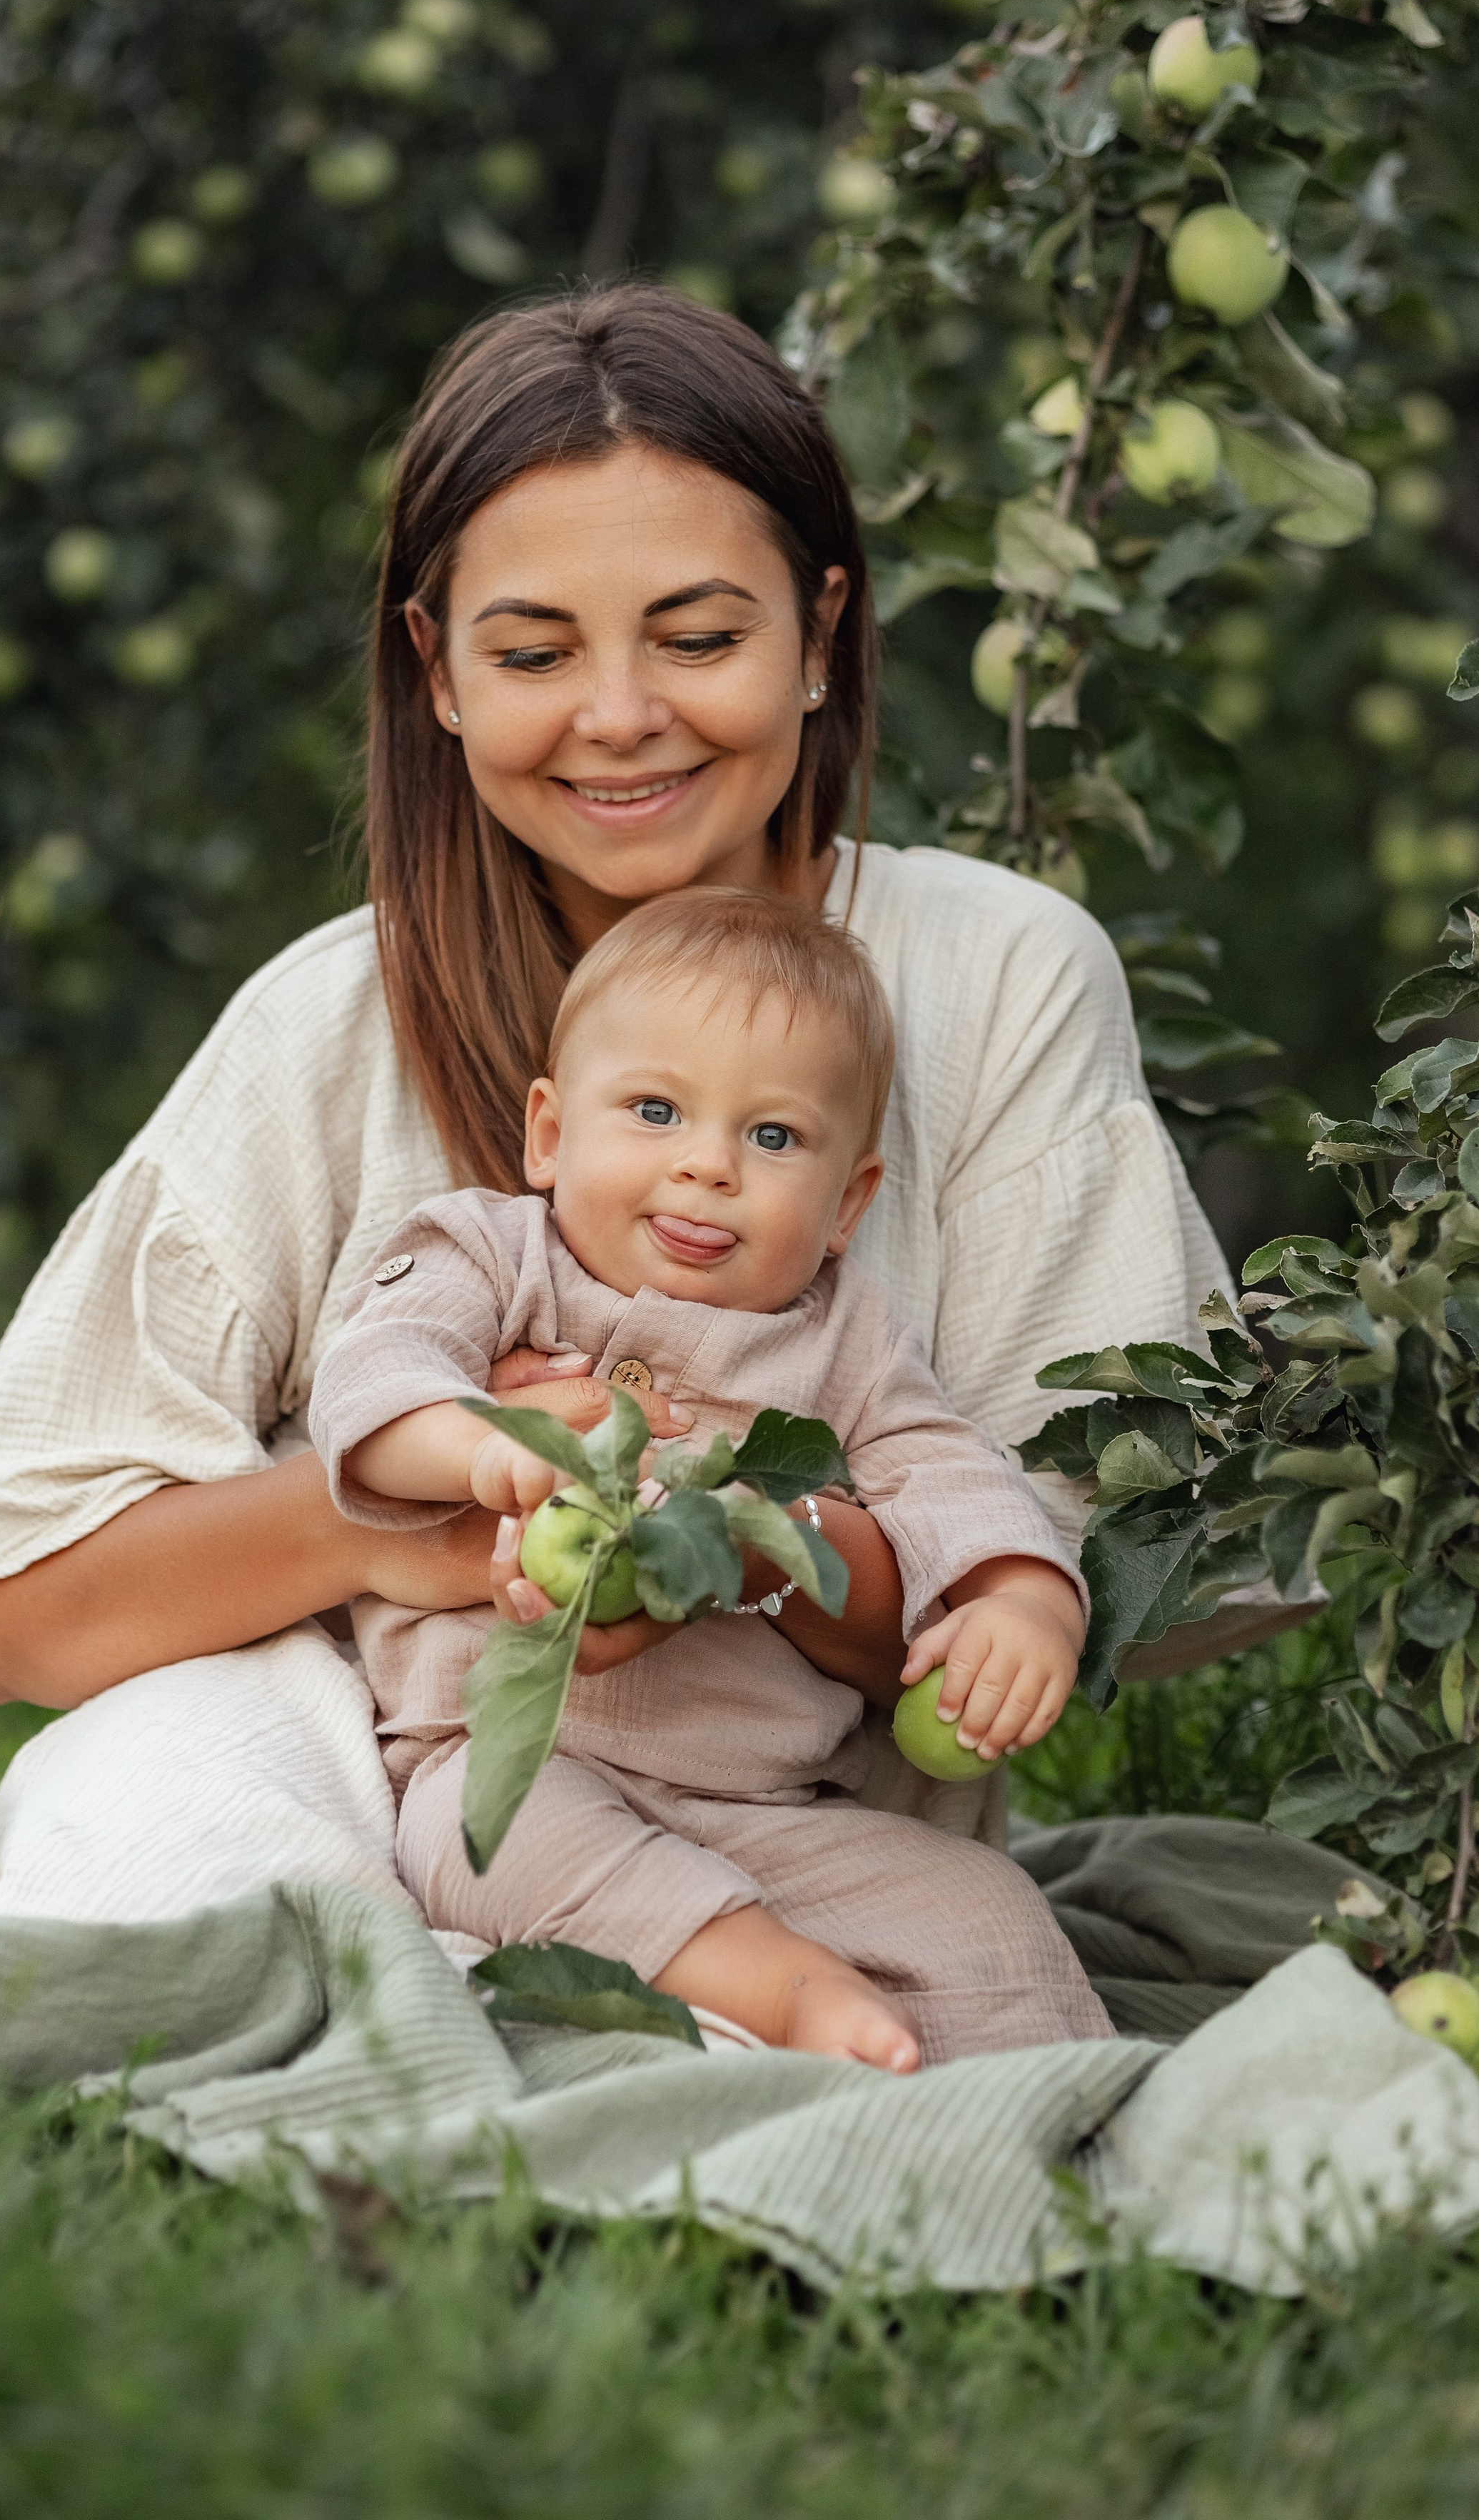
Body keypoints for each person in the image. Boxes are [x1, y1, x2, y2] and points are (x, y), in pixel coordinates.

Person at [0, 281, 1228, 1935]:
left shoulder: (993, 976)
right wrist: (415, 1534)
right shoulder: (333, 1019)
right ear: (439, 670)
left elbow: (1109, 1562)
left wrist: (732, 1522)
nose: (618, 715)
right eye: (534, 651)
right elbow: (5, 1618)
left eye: (697, 639)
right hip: (356, 1748)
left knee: (881, 1995)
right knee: (146, 1859)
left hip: (781, 1812)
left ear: (821, 634)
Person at [310, 886, 1114, 2071]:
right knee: (493, 1848)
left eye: (773, 1138)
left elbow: (949, 1474)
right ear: (548, 1134)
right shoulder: (491, 1253)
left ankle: (1065, 2122)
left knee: (991, 1915)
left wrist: (1020, 1602)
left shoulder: (843, 1345)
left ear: (848, 1205)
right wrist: (486, 1443)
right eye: (653, 1110)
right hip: (518, 1763)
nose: (707, 1168)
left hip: (771, 1808)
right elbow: (374, 1377)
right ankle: (784, 1993)